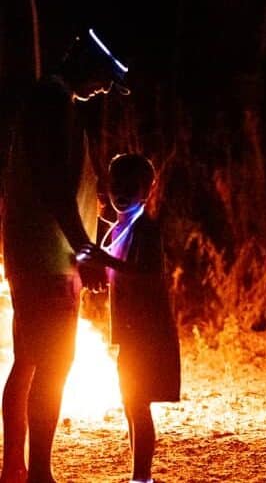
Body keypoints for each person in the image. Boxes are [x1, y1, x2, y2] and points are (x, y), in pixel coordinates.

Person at [1, 28, 128, 483]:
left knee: (30, 359)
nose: (104, 89)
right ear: (80, 62)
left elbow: (63, 186)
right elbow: (55, 185)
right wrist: (84, 248)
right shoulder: (53, 102)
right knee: (52, 362)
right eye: (103, 78)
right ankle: (37, 473)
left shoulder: (53, 100)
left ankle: (16, 467)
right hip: (48, 256)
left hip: (36, 250)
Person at [77, 154, 180, 483]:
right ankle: (139, 475)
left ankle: (142, 477)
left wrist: (103, 259)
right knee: (131, 402)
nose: (121, 192)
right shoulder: (122, 227)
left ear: (146, 190)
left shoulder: (145, 230)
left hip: (147, 333)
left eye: (130, 187)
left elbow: (148, 275)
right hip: (133, 333)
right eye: (116, 184)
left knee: (138, 404)